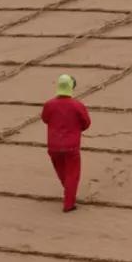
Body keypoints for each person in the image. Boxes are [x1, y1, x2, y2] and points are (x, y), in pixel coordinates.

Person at [40, 74, 91, 213]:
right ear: (71, 87)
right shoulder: (77, 105)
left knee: (63, 172)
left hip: (54, 146)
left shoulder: (49, 104)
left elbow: (45, 119)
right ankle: (69, 203)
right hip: (71, 146)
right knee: (72, 174)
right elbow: (86, 123)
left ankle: (68, 192)